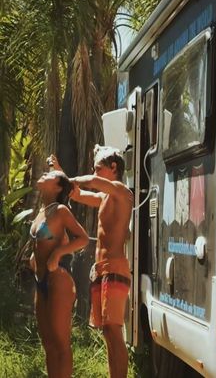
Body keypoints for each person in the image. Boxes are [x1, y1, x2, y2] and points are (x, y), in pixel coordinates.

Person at [49, 145, 133, 378]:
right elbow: (77, 193)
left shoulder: (121, 191)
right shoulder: (105, 197)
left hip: (115, 268)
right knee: (107, 332)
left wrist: (67, 177)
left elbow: (92, 183)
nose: (94, 172)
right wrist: (60, 173)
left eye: (97, 168)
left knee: (114, 331)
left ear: (113, 167)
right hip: (101, 270)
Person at [30, 170, 89, 378]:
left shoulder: (61, 211)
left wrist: (59, 252)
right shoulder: (41, 211)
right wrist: (33, 256)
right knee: (48, 343)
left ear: (57, 187)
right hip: (41, 280)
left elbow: (83, 239)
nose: (44, 174)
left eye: (49, 174)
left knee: (61, 342)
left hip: (59, 279)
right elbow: (42, 241)